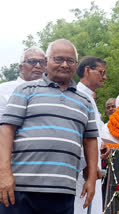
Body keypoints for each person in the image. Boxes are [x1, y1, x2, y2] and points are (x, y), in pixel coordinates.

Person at [0, 39, 99, 214]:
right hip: (20, 189)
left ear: (76, 65)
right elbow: (6, 131)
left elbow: (90, 141)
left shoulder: (85, 101)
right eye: (58, 59)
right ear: (47, 62)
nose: (64, 64)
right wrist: (4, 173)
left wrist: (91, 179)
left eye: (70, 61)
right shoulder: (25, 91)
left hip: (63, 192)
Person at [75, 56, 109, 214]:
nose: (105, 77)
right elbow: (77, 134)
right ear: (87, 70)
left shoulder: (89, 97)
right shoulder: (77, 96)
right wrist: (87, 164)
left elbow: (93, 132)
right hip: (82, 167)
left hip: (93, 162)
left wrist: (102, 144)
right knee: (80, 206)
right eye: (101, 72)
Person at [0, 46, 46, 119]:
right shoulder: (3, 90)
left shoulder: (53, 92)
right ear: (21, 68)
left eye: (42, 62)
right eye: (32, 61)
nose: (38, 66)